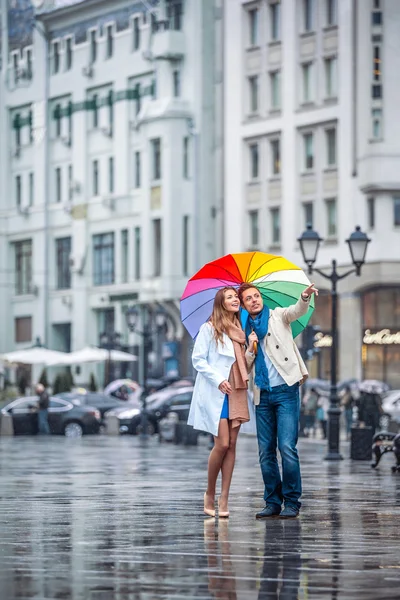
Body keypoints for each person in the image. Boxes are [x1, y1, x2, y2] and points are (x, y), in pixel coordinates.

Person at [238, 282, 318, 519]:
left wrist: (304, 297)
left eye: (256, 296)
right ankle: (272, 501)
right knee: (265, 451)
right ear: (243, 305)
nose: (254, 300)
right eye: (248, 299)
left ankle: (292, 502)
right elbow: (246, 364)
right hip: (262, 393)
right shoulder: (243, 329)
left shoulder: (277, 316)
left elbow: (296, 311)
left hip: (286, 389)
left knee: (287, 447)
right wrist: (251, 346)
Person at [188, 287, 255, 518]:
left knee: (233, 444)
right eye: (230, 297)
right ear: (221, 303)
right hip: (217, 391)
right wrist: (218, 380)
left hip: (236, 390)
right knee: (223, 443)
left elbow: (243, 366)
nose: (236, 299)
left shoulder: (241, 332)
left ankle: (224, 496)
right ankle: (209, 492)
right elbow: (198, 359)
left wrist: (252, 349)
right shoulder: (209, 329)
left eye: (236, 296)